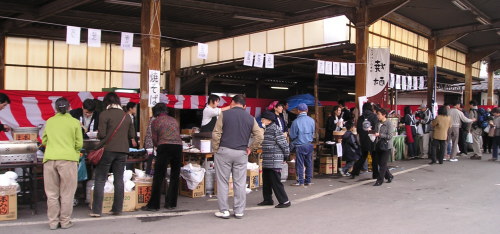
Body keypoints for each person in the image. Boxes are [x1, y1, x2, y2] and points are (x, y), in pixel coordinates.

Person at [212, 95, 263, 219]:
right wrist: (251, 148)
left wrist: (216, 149)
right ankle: (239, 211)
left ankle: (224, 211)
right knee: (239, 183)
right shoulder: (251, 118)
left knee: (223, 182)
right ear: (244, 106)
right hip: (241, 153)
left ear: (232, 103)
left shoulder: (224, 115)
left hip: (224, 151)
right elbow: (260, 136)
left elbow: (216, 133)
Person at [91, 93, 136, 217]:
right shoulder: (127, 117)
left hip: (108, 150)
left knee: (100, 179)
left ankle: (96, 211)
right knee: (119, 179)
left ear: (106, 102)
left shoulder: (104, 114)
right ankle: (117, 209)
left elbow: (101, 134)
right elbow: (131, 134)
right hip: (122, 151)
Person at [42, 98, 83, 230]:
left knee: (51, 193)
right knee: (67, 192)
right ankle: (65, 221)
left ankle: (53, 222)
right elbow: (79, 143)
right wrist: (74, 153)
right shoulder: (75, 122)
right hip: (68, 159)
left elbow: (44, 141)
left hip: (49, 159)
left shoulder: (50, 121)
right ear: (69, 107)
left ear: (55, 109)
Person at [142, 103, 183, 211]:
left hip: (164, 146)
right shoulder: (174, 120)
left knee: (159, 176)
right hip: (178, 147)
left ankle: (154, 205)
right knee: (175, 175)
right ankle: (171, 203)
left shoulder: (155, 122)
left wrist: (157, 147)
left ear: (156, 112)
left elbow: (155, 140)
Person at [257, 111, 291, 208]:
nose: (262, 120)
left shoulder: (275, 129)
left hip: (274, 160)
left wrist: (286, 155)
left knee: (276, 182)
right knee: (266, 181)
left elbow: (284, 144)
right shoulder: (266, 129)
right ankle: (267, 199)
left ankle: (285, 201)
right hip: (267, 160)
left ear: (268, 120)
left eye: (263, 119)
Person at [289, 103, 316, 186]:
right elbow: (313, 133)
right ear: (307, 110)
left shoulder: (295, 122)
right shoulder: (312, 120)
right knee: (309, 163)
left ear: (298, 111)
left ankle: (300, 181)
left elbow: (292, 135)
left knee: (300, 163)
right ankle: (308, 180)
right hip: (309, 144)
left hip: (300, 145)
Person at [351, 102, 379, 179]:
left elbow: (359, 129)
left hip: (363, 140)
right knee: (374, 157)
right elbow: (375, 128)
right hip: (372, 139)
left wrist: (363, 136)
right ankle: (375, 174)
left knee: (363, 156)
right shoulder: (374, 117)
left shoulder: (361, 117)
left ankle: (355, 171)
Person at [373, 108, 394, 186]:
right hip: (378, 144)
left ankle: (380, 180)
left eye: (379, 114)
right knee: (380, 162)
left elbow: (390, 136)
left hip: (386, 146)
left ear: (384, 115)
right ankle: (389, 176)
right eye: (377, 114)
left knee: (383, 163)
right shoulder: (377, 123)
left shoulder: (389, 123)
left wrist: (380, 135)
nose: (377, 116)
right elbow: (375, 132)